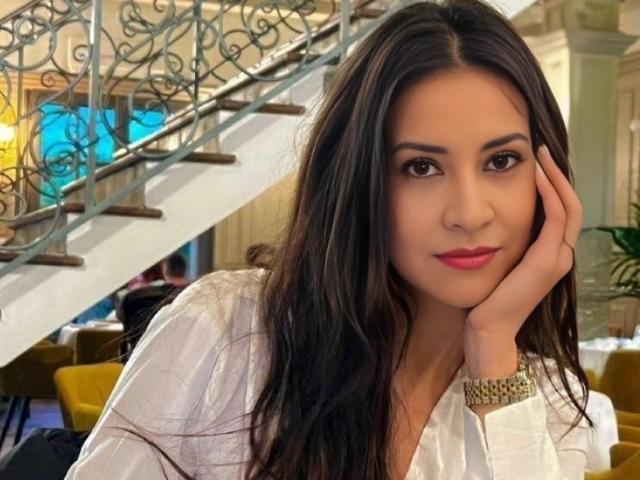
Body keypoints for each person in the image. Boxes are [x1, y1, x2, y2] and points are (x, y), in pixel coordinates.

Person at [65, 1, 600, 479]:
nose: (469, 213)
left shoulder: (549, 402)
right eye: (420, 167)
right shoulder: (225, 331)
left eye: (501, 161)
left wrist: (493, 346)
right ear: (358, 181)